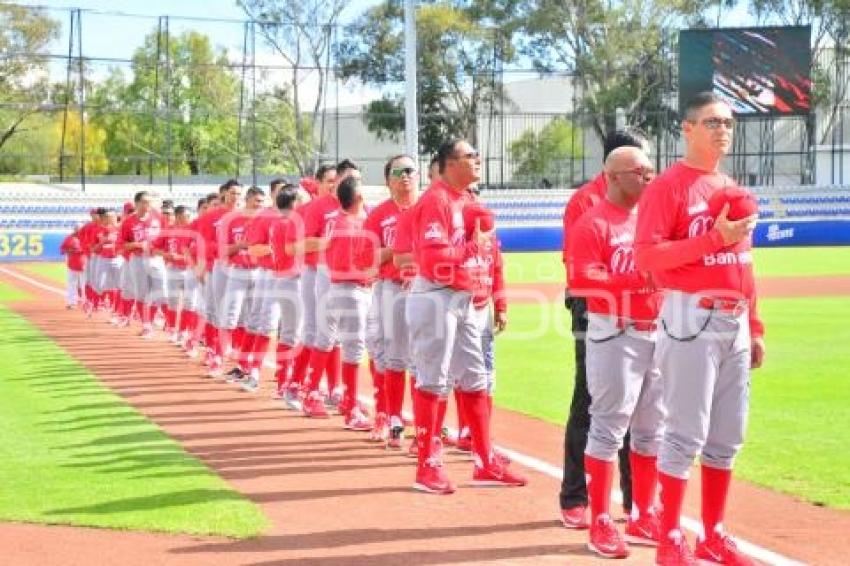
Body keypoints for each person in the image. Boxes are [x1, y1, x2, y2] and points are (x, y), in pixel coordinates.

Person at [635, 91, 764, 566]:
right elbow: (648, 258)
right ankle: (670, 538)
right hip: (690, 314)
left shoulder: (729, 186)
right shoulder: (668, 187)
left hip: (733, 321)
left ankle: (713, 534)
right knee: (685, 432)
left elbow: (743, 262)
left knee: (728, 435)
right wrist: (715, 237)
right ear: (687, 129)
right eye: (712, 122)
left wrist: (755, 325)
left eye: (728, 123)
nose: (722, 130)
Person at [404, 138, 526, 494]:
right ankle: (427, 464)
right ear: (447, 164)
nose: (477, 160)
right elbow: (432, 259)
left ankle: (484, 460)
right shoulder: (437, 200)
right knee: (433, 379)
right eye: (469, 156)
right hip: (435, 296)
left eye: (476, 155)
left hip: (462, 298)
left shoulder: (465, 199)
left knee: (474, 378)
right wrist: (476, 246)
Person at [568, 146, 664, 559]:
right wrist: (638, 278)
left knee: (650, 428)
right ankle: (600, 522)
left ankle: (643, 512)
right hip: (615, 332)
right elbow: (583, 280)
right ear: (615, 176)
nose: (648, 176)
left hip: (658, 331)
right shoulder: (593, 223)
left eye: (650, 170)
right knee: (608, 427)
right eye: (640, 171)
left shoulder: (653, 220)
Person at [307, 175, 377, 429]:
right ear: (358, 197)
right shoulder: (353, 224)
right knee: (353, 347)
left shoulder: (338, 220)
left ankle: (315, 392)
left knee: (328, 338)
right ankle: (349, 406)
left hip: (335, 287)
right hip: (351, 289)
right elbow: (350, 265)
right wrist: (372, 273)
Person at [365, 154, 420, 447]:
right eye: (398, 172)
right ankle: (393, 417)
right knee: (395, 355)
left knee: (425, 359)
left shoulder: (429, 208)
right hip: (393, 288)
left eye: (410, 170)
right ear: (388, 181)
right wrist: (395, 252)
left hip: (428, 289)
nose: (405, 176)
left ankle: (425, 425)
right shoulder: (378, 215)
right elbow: (367, 258)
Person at [60, 226, 85, 309]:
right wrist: (68, 251)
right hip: (72, 265)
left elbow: (89, 248)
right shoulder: (69, 238)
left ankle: (86, 302)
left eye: (79, 229)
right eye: (76, 229)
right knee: (71, 284)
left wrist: (78, 250)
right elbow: (62, 249)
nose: (78, 231)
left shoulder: (86, 237)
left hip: (84, 265)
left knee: (84, 285)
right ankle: (71, 302)